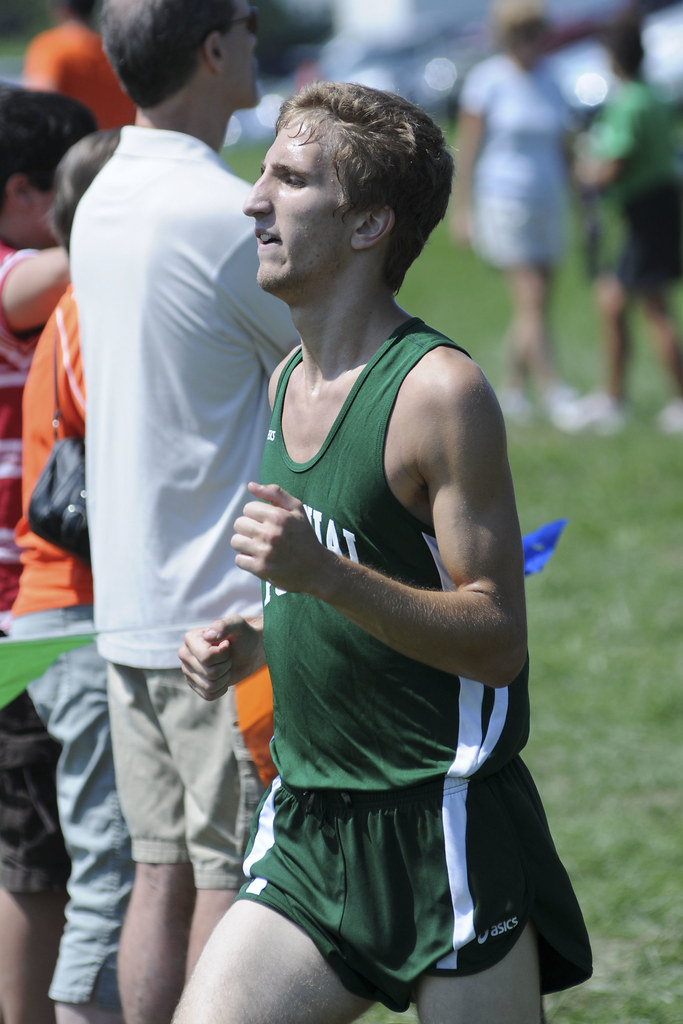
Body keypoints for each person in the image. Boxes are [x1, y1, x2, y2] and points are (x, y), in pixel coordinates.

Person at [175, 80, 593, 1024]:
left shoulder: (440, 391)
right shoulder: (287, 378)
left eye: (289, 180)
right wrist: (260, 638)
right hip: (309, 819)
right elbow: (366, 578)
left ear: (368, 225)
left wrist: (321, 576)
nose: (252, 201)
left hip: (439, 820)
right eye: (262, 175)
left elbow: (495, 636)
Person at [68, 2, 298, 1022]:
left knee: (156, 872)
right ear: (211, 50)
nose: (254, 37)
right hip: (221, 616)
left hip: (130, 604)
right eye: (245, 21)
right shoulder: (220, 210)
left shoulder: (104, 191)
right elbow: (332, 358)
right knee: (229, 877)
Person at [11, 128, 134, 1024]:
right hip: (71, 614)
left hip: (59, 615)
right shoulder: (85, 310)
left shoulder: (75, 309)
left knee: (79, 864)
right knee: (102, 870)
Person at [0, 86, 97, 1024]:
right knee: (37, 861)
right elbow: (23, 287)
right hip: (18, 622)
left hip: (20, 612)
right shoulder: (17, 276)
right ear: (24, 196)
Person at [555, 13, 683, 436]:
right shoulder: (655, 95)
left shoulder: (629, 103)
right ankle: (616, 397)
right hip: (660, 207)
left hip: (643, 212)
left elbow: (615, 164)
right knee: (627, 303)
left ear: (613, 56)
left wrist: (583, 171)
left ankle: (636, 401)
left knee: (645, 306)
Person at [450, 0, 576, 425]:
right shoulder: (488, 81)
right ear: (506, 37)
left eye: (536, 32)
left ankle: (513, 390)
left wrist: (580, 192)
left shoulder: (552, 76)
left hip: (548, 199)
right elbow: (468, 151)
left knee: (536, 305)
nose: (530, 42)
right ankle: (553, 390)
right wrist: (463, 210)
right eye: (522, 34)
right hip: (505, 200)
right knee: (532, 297)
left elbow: (565, 143)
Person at [22, 1, 136, 130]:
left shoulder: (50, 47)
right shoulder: (116, 47)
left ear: (63, 8)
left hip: (75, 141)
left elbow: (39, 106)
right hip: (118, 138)